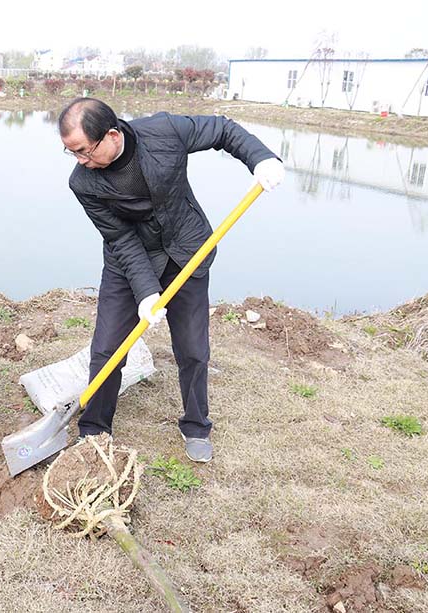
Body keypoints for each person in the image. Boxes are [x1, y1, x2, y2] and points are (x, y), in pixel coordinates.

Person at [58, 98, 284, 463]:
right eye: (72, 153)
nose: (81, 161)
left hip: (186, 250)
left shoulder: (164, 132)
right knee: (107, 348)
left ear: (112, 135)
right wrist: (147, 292)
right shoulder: (83, 182)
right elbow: (121, 239)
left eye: (84, 151)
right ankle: (94, 429)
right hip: (129, 260)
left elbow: (223, 129)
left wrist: (261, 158)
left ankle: (196, 425)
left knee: (193, 349)